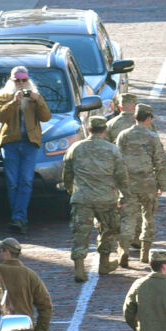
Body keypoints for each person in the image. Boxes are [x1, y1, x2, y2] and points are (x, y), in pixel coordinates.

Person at [62, 113, 128, 282]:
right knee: (108, 230)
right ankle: (104, 264)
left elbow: (67, 174)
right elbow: (121, 175)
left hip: (82, 198)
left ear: (89, 129)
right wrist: (124, 195)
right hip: (106, 198)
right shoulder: (112, 150)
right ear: (104, 131)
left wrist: (71, 190)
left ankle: (79, 268)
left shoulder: (75, 148)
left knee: (80, 233)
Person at [0, 65, 51, 234]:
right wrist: (14, 102)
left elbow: (46, 117)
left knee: (26, 180)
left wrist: (37, 100)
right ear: (11, 81)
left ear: (28, 80)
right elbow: (0, 116)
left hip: (30, 143)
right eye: (17, 80)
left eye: (24, 80)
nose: (20, 83)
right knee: (12, 182)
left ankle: (19, 218)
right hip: (10, 142)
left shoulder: (35, 95)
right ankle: (18, 218)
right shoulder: (3, 95)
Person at [115, 102, 166, 268]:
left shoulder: (123, 135)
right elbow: (159, 162)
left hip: (128, 184)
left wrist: (117, 183)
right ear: (149, 118)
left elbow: (117, 160)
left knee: (128, 217)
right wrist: (161, 183)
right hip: (147, 184)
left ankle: (124, 250)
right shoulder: (153, 137)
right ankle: (145, 252)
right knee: (148, 218)